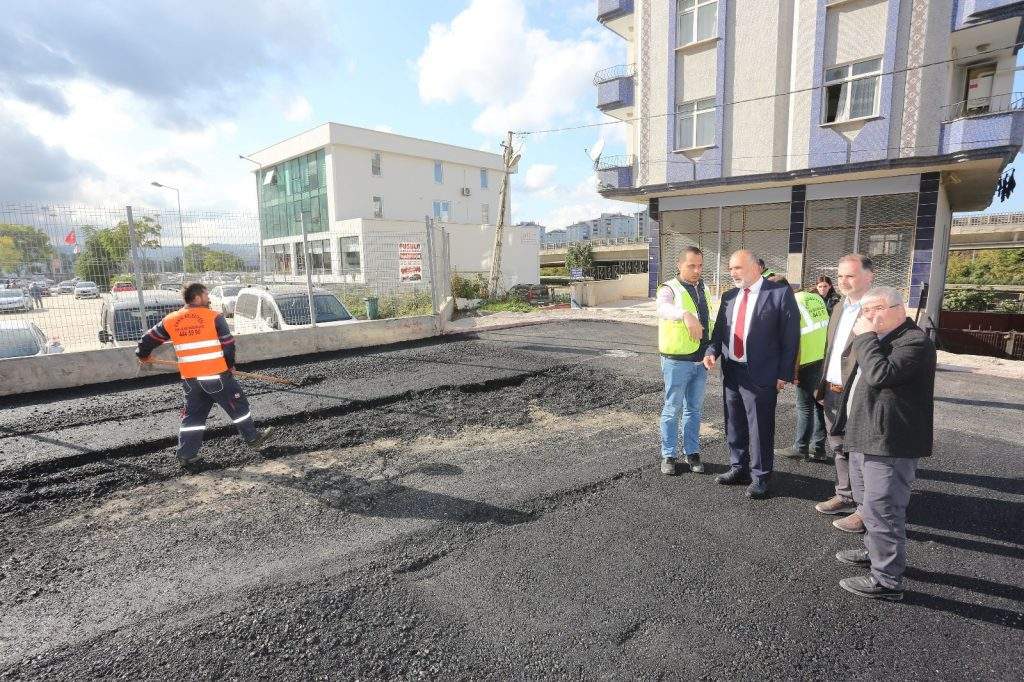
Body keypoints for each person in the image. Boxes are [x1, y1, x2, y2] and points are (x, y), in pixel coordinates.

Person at [830, 286, 935, 601]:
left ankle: (887, 581)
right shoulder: (883, 340)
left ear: (898, 308)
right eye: (864, 310)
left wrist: (864, 337)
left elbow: (879, 374)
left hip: (890, 442)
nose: (868, 316)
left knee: (884, 510)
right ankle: (875, 555)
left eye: (875, 308)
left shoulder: (915, 342)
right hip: (867, 436)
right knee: (868, 506)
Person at [136, 282, 274, 470]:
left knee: (193, 417)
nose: (209, 298)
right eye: (206, 295)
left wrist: (143, 355)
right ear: (198, 298)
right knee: (238, 405)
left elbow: (147, 340)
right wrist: (229, 366)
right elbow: (228, 345)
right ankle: (252, 438)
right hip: (215, 376)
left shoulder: (171, 320)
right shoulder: (214, 317)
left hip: (191, 380)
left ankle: (186, 454)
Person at [704, 250, 800, 499]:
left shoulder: (778, 293)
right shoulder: (728, 296)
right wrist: (712, 351)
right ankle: (739, 468)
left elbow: (790, 338)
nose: (733, 273)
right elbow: (719, 331)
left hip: (762, 373)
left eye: (738, 268)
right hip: (732, 372)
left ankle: (761, 477)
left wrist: (784, 373)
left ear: (756, 267)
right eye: (731, 268)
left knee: (759, 427)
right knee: (733, 422)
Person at [813, 254, 875, 532]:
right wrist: (823, 384)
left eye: (849, 275)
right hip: (834, 389)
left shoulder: (876, 309)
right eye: (840, 276)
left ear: (869, 276)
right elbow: (831, 350)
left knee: (862, 453)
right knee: (838, 446)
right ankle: (845, 495)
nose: (842, 281)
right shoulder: (839, 307)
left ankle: (865, 510)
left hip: (860, 394)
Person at [656, 247, 714, 475]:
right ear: (680, 265)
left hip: (700, 361)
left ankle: (692, 452)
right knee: (672, 408)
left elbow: (708, 321)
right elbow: (663, 308)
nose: (697, 270)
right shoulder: (669, 288)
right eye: (692, 265)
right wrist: (684, 314)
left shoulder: (704, 288)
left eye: (700, 265)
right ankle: (669, 455)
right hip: (676, 361)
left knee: (694, 410)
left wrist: (710, 349)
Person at [771, 276, 830, 462]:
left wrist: (793, 373)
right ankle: (818, 447)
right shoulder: (813, 297)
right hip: (824, 357)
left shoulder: (790, 306)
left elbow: (795, 341)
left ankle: (800, 447)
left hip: (806, 361)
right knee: (820, 403)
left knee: (805, 406)